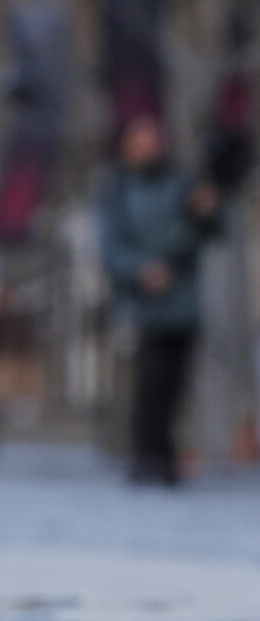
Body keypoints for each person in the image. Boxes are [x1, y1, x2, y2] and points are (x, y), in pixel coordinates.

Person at [100, 114, 223, 485]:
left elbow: (211, 231)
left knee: (173, 387)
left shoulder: (183, 185)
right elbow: (112, 246)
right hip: (142, 306)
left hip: (182, 307)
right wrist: (142, 270)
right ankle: (146, 454)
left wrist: (209, 211)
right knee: (147, 385)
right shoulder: (119, 190)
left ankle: (167, 455)